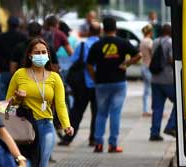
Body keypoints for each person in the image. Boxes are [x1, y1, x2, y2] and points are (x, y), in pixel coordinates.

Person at [7, 38, 73, 167]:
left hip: (46, 127)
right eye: (37, 52)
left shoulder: (54, 77)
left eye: (44, 52)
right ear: (29, 55)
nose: (40, 56)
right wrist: (17, 100)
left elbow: (60, 104)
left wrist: (67, 125)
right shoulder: (20, 74)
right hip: (26, 129)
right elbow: (6, 106)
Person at [86, 17, 141, 153]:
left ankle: (98, 144)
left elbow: (89, 65)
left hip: (101, 83)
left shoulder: (97, 45)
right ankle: (113, 145)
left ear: (103, 29)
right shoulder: (123, 43)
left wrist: (94, 78)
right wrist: (126, 64)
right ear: (116, 28)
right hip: (119, 83)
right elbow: (138, 55)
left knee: (101, 113)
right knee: (115, 113)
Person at [59, 21, 100, 147]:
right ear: (100, 32)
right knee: (97, 113)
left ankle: (68, 138)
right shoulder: (102, 45)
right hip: (98, 84)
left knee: (77, 111)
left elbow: (73, 61)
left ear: (88, 32)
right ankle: (93, 139)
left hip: (83, 85)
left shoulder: (83, 45)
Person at [149, 24, 176, 141]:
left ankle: (154, 133)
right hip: (168, 79)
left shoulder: (155, 41)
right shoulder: (170, 42)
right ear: (170, 32)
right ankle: (171, 126)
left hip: (155, 79)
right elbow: (171, 59)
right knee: (181, 102)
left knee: (157, 107)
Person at [0, 16, 27, 101]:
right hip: (19, 71)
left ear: (8, 25)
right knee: (18, 96)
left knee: (3, 97)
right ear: (18, 25)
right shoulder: (23, 37)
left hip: (4, 70)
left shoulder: (1, 37)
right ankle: (15, 114)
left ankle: (3, 114)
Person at [140, 24, 154, 117]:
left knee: (146, 89)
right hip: (149, 66)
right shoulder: (149, 41)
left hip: (143, 65)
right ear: (150, 32)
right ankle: (150, 110)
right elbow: (152, 53)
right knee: (151, 89)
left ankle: (145, 109)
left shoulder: (142, 41)